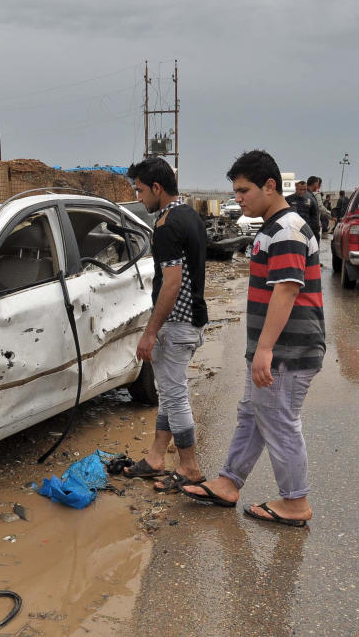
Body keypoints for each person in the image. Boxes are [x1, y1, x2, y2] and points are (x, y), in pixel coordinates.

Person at [182, 149, 325, 527]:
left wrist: (265, 349)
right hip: (272, 349)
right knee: (253, 413)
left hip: (286, 351)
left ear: (270, 186)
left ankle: (295, 503)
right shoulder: (271, 227)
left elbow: (288, 290)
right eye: (235, 191)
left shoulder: (287, 230)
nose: (238, 198)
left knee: (278, 419)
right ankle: (229, 482)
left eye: (244, 190)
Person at [123, 157, 209, 493]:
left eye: (141, 190)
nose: (140, 198)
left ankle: (189, 467)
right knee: (167, 393)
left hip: (177, 323)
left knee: (174, 395)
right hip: (190, 320)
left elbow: (171, 283)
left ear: (157, 188)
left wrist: (150, 330)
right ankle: (157, 457)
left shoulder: (166, 224)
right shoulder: (189, 215)